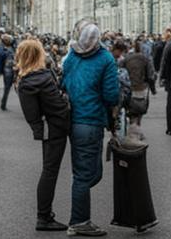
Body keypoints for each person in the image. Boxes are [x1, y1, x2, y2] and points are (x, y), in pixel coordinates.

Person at [60, 20, 119, 237]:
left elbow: (63, 84)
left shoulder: (72, 56)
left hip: (74, 121)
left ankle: (80, 217)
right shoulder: (105, 58)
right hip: (91, 120)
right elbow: (112, 94)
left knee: (88, 172)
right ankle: (79, 221)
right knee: (86, 175)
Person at [17, 38, 70, 232]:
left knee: (48, 170)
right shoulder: (44, 78)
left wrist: (38, 127)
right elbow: (59, 107)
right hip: (56, 127)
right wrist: (66, 100)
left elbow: (31, 114)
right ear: (39, 55)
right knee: (50, 171)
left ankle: (44, 215)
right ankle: (44, 216)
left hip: (46, 128)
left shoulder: (24, 80)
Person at [120, 38, 155, 138]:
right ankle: (137, 128)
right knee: (139, 109)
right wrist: (152, 89)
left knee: (130, 108)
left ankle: (131, 127)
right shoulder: (145, 59)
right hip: (141, 87)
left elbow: (120, 71)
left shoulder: (126, 58)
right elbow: (150, 75)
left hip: (128, 87)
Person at [0, 34, 17, 111]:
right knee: (7, 87)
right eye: (8, 39)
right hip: (7, 68)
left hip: (12, 68)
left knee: (9, 87)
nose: (9, 40)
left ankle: (3, 102)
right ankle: (3, 103)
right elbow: (1, 56)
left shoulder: (11, 47)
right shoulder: (2, 48)